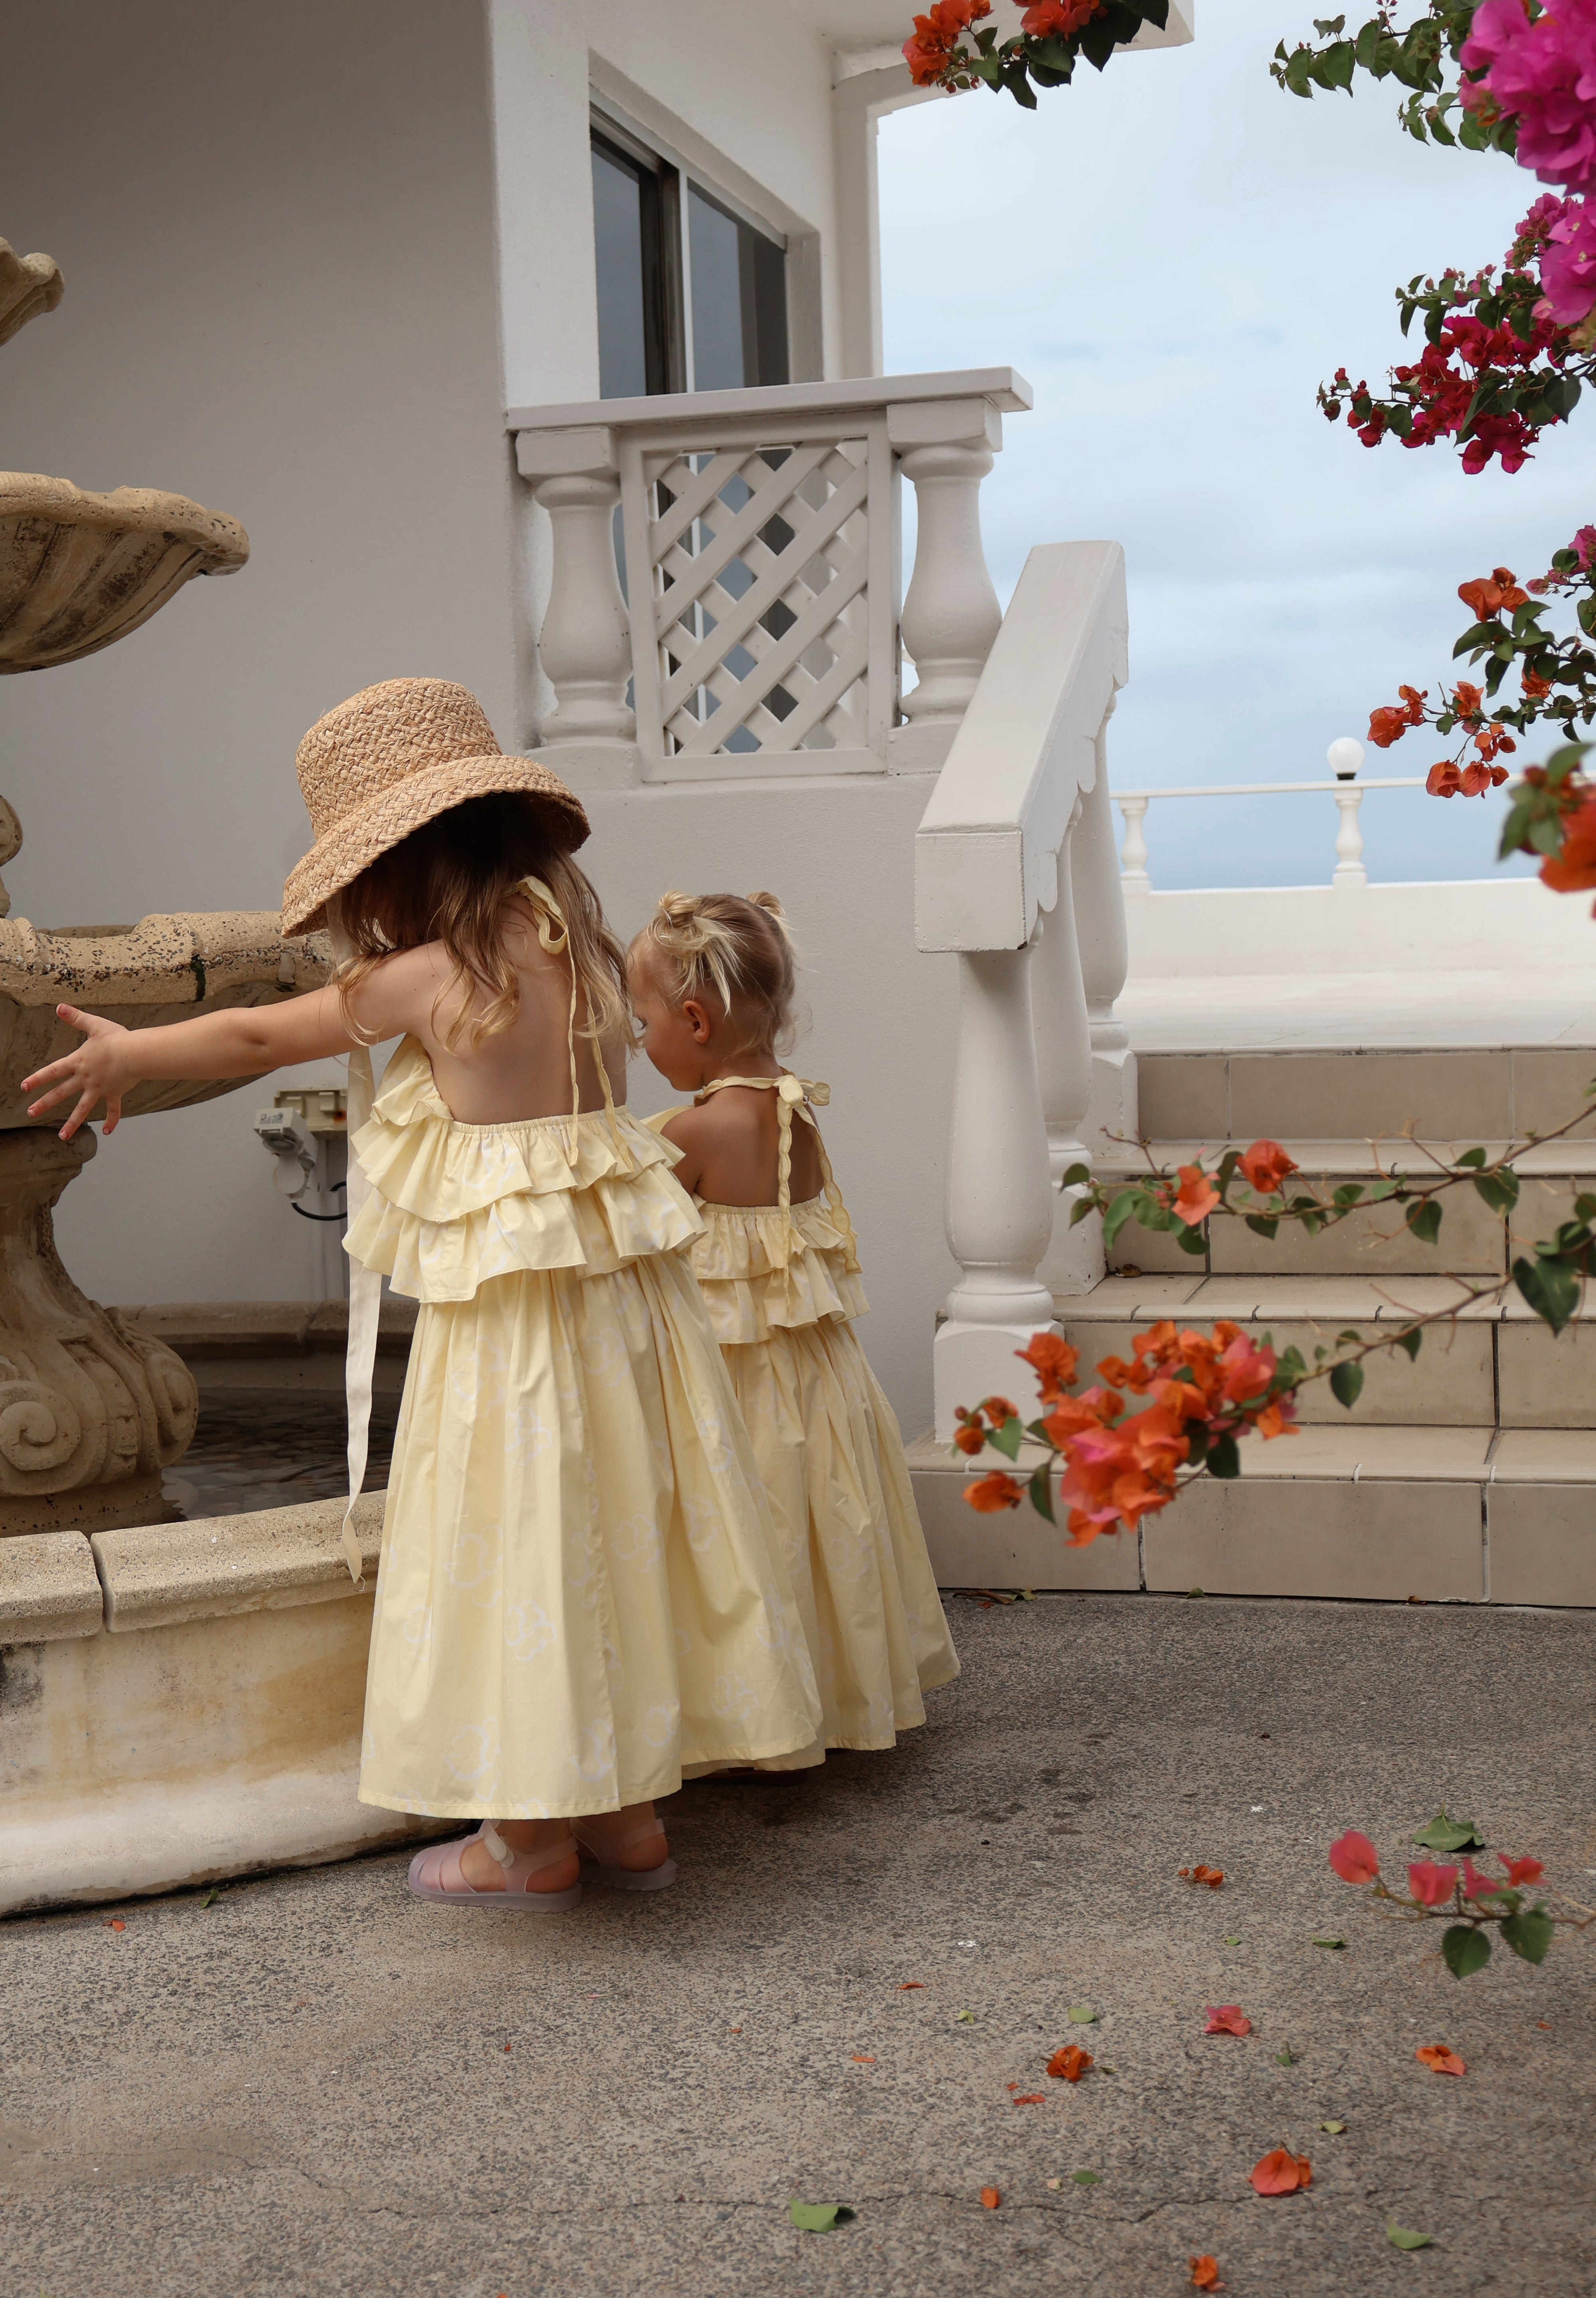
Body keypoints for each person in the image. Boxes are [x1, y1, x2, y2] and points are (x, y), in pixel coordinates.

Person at [23, 679, 821, 1909]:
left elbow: (259, 1038)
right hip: (626, 1325)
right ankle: (627, 1819)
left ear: (397, 869)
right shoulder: (585, 956)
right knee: (611, 1537)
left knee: (521, 1549)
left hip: (513, 1336)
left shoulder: (438, 977)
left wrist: (131, 1051)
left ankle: (528, 1842)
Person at [627, 890, 958, 1770]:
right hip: (816, 1380)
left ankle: (751, 1714)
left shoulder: (697, 1130)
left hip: (737, 1384)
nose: (639, 1040)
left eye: (641, 1021)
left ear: (694, 1021)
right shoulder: (794, 1110)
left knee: (750, 1537)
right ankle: (833, 1693)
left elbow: (623, 1233)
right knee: (815, 1533)